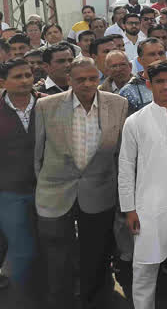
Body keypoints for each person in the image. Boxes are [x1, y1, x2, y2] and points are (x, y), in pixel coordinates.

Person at [35, 57, 129, 309]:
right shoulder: (46, 106)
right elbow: (38, 154)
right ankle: (61, 301)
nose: (87, 84)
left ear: (99, 78)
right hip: (55, 191)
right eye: (80, 80)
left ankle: (94, 300)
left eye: (92, 78)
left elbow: (120, 153)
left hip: (99, 191)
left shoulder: (118, 104)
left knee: (97, 253)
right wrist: (43, 185)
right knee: (58, 257)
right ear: (69, 80)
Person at [118, 60, 167, 309]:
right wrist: (129, 208)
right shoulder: (135, 121)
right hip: (149, 205)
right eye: (159, 82)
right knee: (145, 264)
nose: (165, 87)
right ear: (149, 84)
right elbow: (126, 167)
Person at [0, 59, 38, 290]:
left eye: (28, 75)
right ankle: (23, 295)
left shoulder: (48, 104)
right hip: (9, 192)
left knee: (52, 243)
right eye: (18, 77)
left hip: (48, 189)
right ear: (3, 82)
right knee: (21, 249)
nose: (25, 81)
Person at [119, 38, 167, 114]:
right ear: (140, 60)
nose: (157, 58)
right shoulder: (129, 91)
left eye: (161, 53)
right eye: (152, 54)